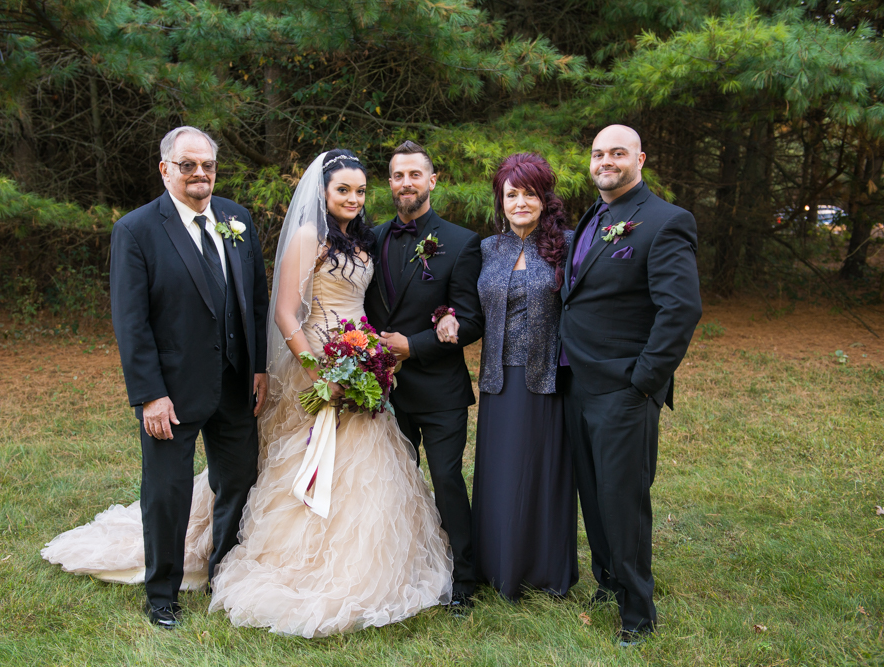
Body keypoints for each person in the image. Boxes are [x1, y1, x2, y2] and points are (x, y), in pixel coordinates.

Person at [43, 149, 453, 638]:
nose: (353, 197)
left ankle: (344, 562)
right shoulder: (308, 236)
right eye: (343, 189)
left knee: (349, 468)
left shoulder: (363, 238)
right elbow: (282, 311)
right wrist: (317, 367)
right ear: (322, 192)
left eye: (361, 190)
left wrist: (374, 355)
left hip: (357, 360)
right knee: (288, 465)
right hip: (315, 363)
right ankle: (184, 581)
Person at [47, 125, 270, 629]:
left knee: (238, 480)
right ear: (165, 168)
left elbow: (256, 300)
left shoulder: (238, 219)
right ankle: (162, 593)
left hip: (236, 384)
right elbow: (131, 321)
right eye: (188, 164)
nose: (200, 174)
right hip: (172, 389)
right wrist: (150, 395)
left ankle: (225, 574)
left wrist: (259, 367)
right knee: (167, 491)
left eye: (208, 165)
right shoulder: (137, 229)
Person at [559, 125, 702, 646]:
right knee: (593, 495)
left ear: (639, 158)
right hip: (577, 378)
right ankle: (609, 582)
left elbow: (681, 309)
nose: (606, 161)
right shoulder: (595, 215)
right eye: (599, 154)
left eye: (617, 153)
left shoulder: (666, 221)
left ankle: (638, 615)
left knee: (622, 498)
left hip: (624, 386)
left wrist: (645, 380)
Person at [363, 140, 483, 611]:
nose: (405, 183)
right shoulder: (369, 238)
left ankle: (465, 579)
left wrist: (414, 346)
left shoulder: (460, 241)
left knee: (447, 480)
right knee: (392, 484)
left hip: (439, 390)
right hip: (381, 391)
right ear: (389, 183)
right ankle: (403, 567)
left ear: (432, 181)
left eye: (415, 174)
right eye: (397, 175)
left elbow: (472, 320)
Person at [470, 153, 577, 600]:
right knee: (500, 475)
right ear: (501, 200)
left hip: (546, 381)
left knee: (542, 474)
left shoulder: (568, 245)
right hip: (497, 380)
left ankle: (545, 571)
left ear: (544, 197)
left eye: (528, 194)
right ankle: (496, 567)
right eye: (511, 194)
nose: (519, 203)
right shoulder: (488, 248)